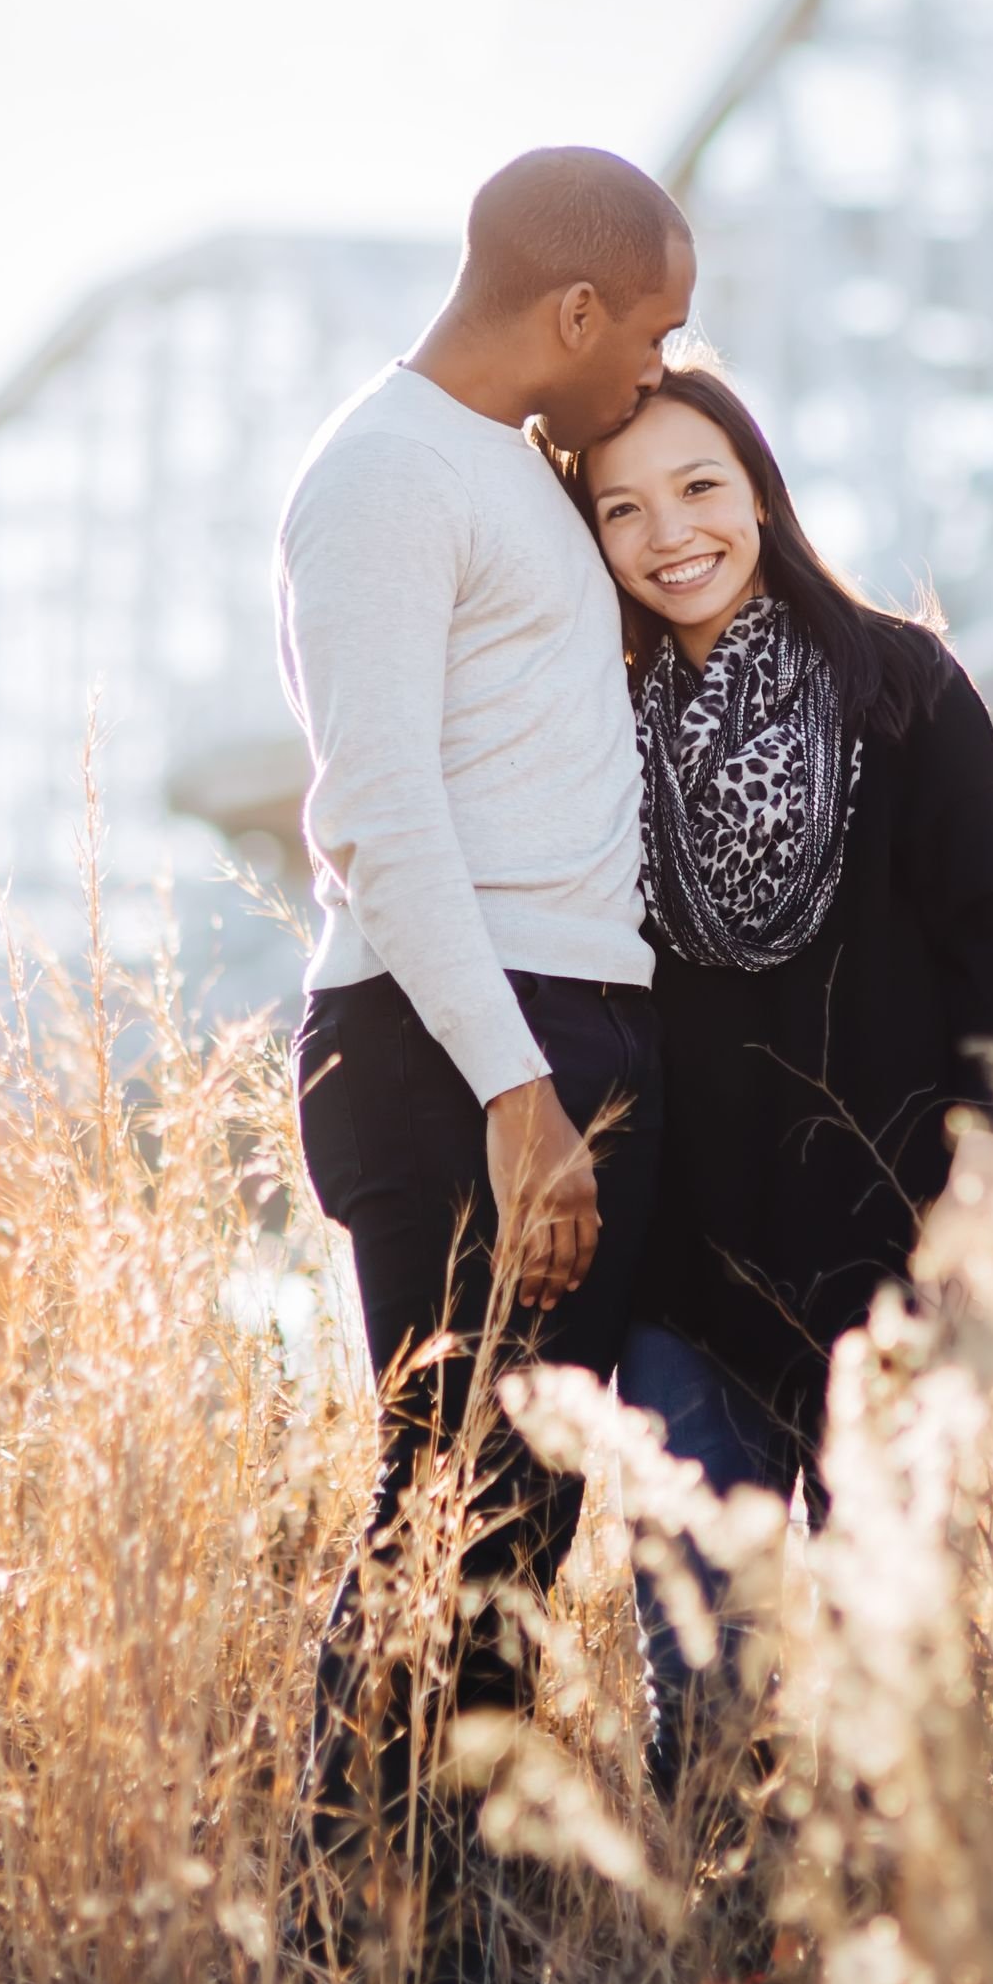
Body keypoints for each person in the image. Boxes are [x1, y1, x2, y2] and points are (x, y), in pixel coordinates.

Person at [278, 147, 695, 1804]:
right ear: (574, 308)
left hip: (552, 1023)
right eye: (654, 332)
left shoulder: (513, 464)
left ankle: (447, 1971)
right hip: (459, 1041)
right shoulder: (386, 473)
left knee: (515, 1531)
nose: (661, 369)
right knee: (447, 1513)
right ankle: (346, 1983)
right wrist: (519, 1095)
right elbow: (374, 807)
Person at [574, 361, 993, 1773]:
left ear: (762, 490)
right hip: (683, 1283)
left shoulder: (903, 686)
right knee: (703, 1686)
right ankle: (710, 1975)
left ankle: (886, 1966)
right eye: (622, 509)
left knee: (889, 1669)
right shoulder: (592, 727)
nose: (671, 534)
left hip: (889, 1259)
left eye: (701, 486)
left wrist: (969, 1205)